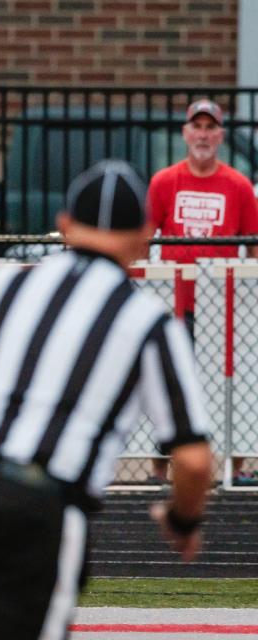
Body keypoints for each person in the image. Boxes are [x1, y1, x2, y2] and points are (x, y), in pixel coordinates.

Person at [0, 160, 213, 640]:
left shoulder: (3, 286)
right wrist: (184, 520)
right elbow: (194, 459)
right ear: (145, 235)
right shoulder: (144, 318)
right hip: (36, 505)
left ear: (63, 225)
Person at [146, 99, 258, 485]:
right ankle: (158, 469)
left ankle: (237, 466)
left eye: (211, 128)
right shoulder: (164, 182)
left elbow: (254, 246)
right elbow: (144, 239)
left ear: (221, 136)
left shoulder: (238, 186)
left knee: (235, 381)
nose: (204, 135)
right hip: (176, 303)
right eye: (198, 127)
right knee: (169, 385)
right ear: (185, 133)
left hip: (222, 303)